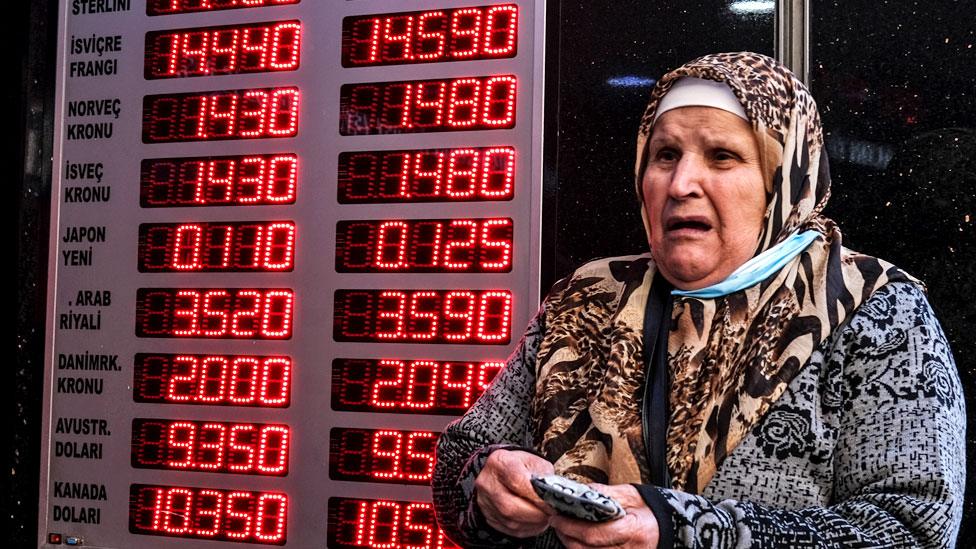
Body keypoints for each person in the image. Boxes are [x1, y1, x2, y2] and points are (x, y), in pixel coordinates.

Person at [432, 52, 965, 548]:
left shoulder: (873, 309)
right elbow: (458, 461)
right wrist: (486, 481)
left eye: (723, 156)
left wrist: (682, 529)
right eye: (665, 154)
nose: (682, 182)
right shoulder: (588, 298)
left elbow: (912, 528)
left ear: (783, 178)